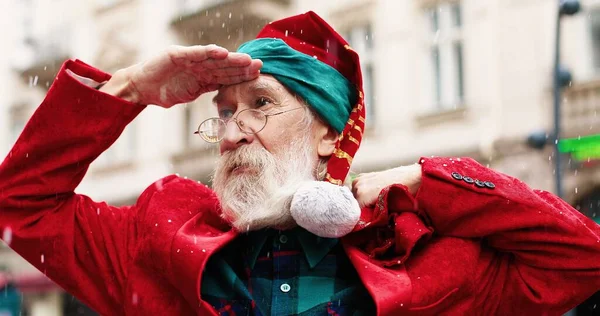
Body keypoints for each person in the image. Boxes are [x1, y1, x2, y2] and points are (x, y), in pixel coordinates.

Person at [0, 11, 599, 316]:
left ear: (326, 135)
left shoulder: (432, 263)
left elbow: (584, 258)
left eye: (260, 106)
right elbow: (19, 205)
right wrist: (128, 88)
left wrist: (425, 179)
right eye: (226, 112)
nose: (233, 133)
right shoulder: (156, 236)